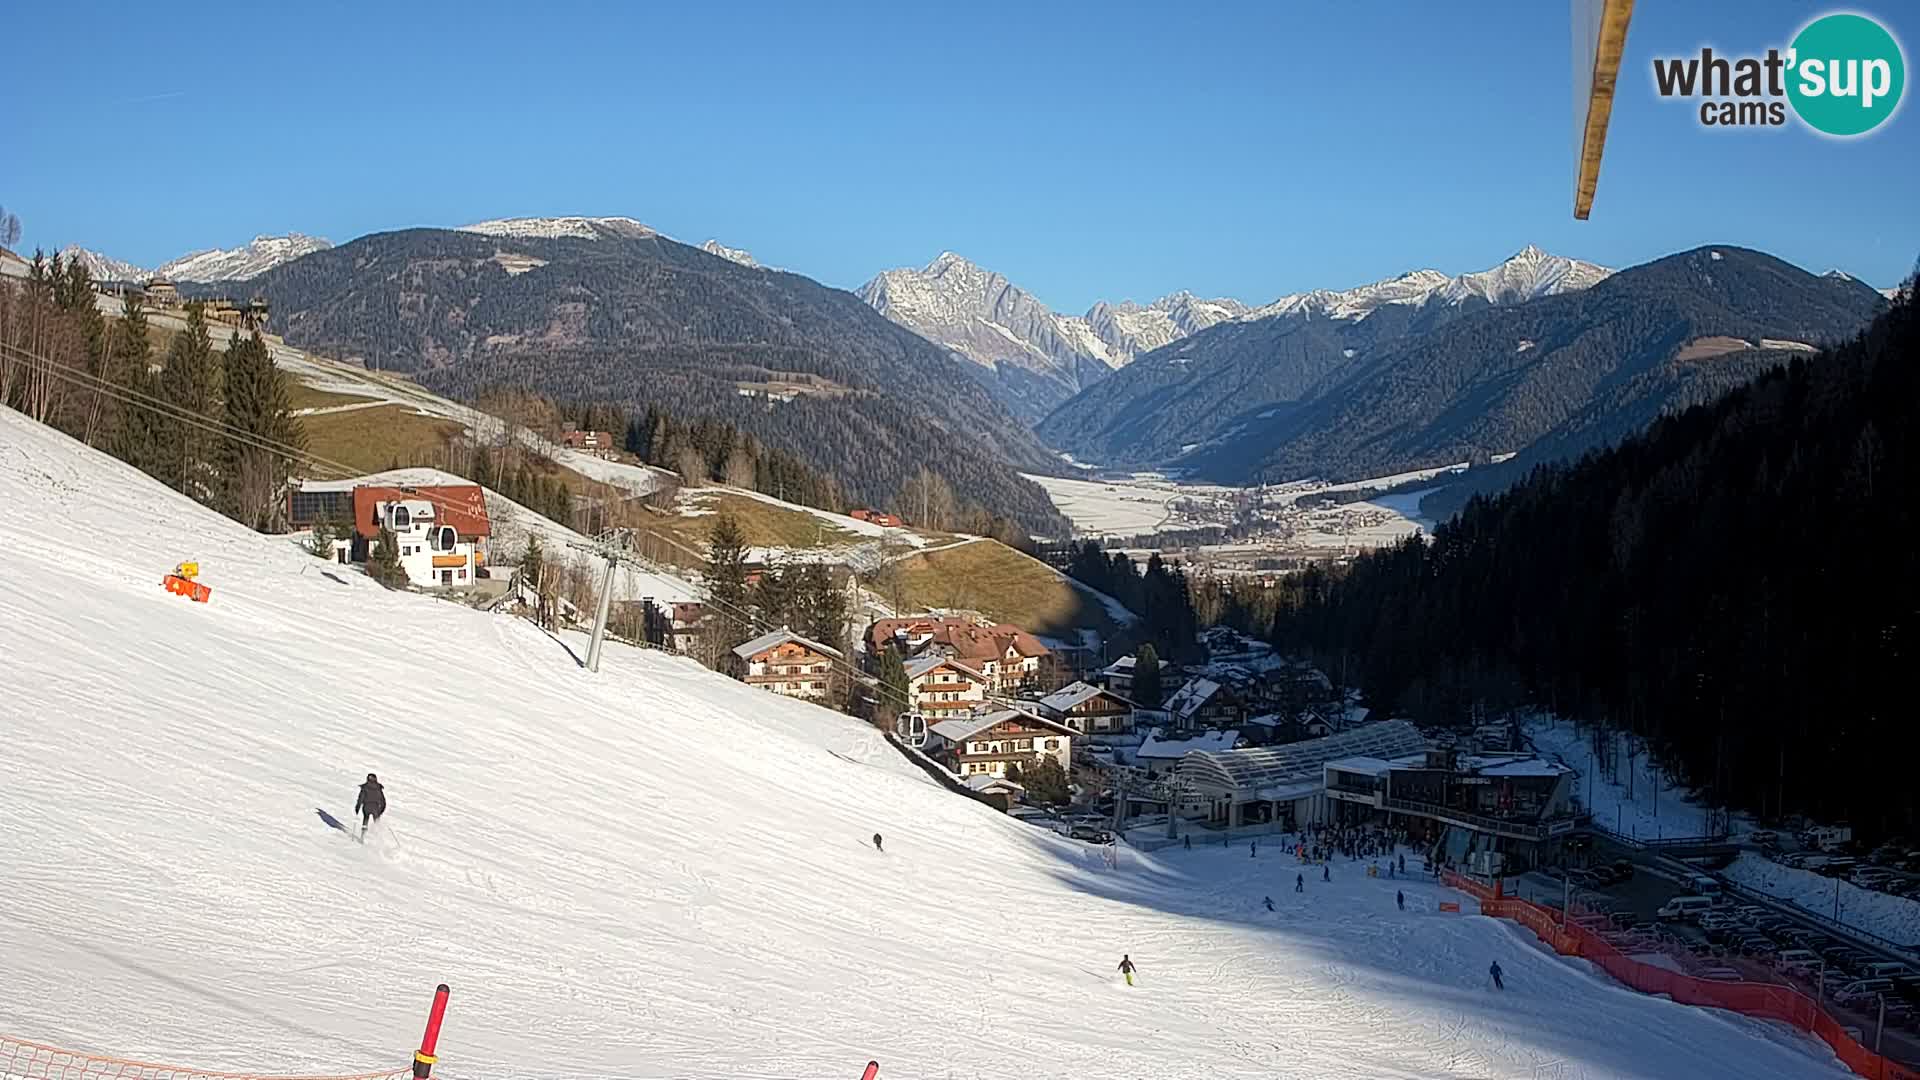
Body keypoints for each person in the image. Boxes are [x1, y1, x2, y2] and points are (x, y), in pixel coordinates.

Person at [354, 773, 385, 839]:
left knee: (365, 819)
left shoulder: (365, 787)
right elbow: (383, 801)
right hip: (376, 808)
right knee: (376, 822)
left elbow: (360, 799)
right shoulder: (378, 788)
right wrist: (381, 811)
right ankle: (378, 838)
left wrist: (357, 808)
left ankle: (363, 837)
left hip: (366, 807)